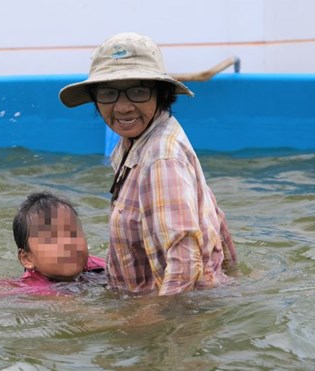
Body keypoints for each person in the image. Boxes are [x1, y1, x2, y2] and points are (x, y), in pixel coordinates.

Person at [59, 32, 237, 295]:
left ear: (161, 94)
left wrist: (157, 321)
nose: (122, 107)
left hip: (171, 311)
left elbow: (185, 261)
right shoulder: (135, 142)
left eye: (138, 91)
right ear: (95, 99)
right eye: (108, 94)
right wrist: (233, 272)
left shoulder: (161, 158)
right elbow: (213, 213)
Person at [13, 191, 105, 289]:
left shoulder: (97, 267)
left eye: (73, 233)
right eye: (51, 238)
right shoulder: (36, 291)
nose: (68, 243)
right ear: (27, 259)